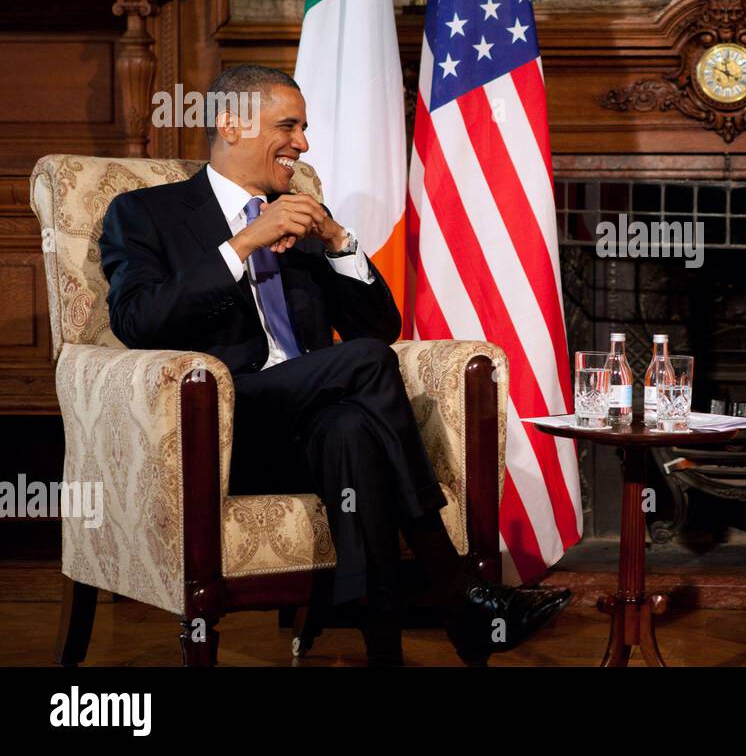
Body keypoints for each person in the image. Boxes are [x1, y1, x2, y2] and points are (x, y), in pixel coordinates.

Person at [99, 64, 570, 666]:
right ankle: (456, 591)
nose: (303, 144)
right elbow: (137, 322)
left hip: (311, 426)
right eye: (288, 126)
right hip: (218, 427)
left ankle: (380, 645)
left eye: (304, 128)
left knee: (354, 430)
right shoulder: (145, 213)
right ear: (230, 124)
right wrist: (242, 244)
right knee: (365, 370)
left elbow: (380, 331)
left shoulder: (298, 212)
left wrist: (340, 241)